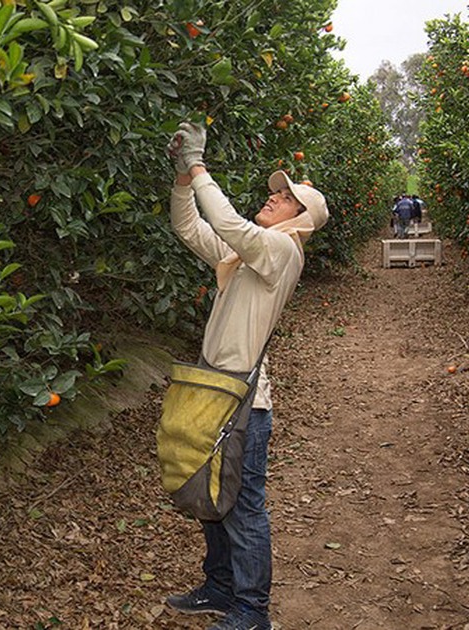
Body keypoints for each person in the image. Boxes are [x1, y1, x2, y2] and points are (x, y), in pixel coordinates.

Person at [162, 122, 329, 630]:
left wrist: (200, 165)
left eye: (285, 198)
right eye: (276, 192)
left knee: (244, 507)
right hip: (217, 391)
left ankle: (252, 612)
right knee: (214, 495)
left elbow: (232, 224)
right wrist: (182, 181)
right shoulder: (244, 258)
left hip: (244, 403)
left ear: (300, 220)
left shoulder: (280, 252)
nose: (273, 197)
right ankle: (219, 587)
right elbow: (191, 229)